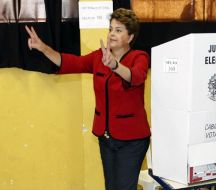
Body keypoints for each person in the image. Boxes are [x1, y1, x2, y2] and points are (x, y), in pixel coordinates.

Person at [25, 8, 151, 190]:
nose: (112, 34)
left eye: (118, 30)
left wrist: (115, 65)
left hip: (132, 141)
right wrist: (43, 47)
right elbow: (70, 62)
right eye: (110, 29)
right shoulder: (99, 57)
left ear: (130, 37)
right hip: (106, 138)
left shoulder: (139, 57)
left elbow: (136, 76)